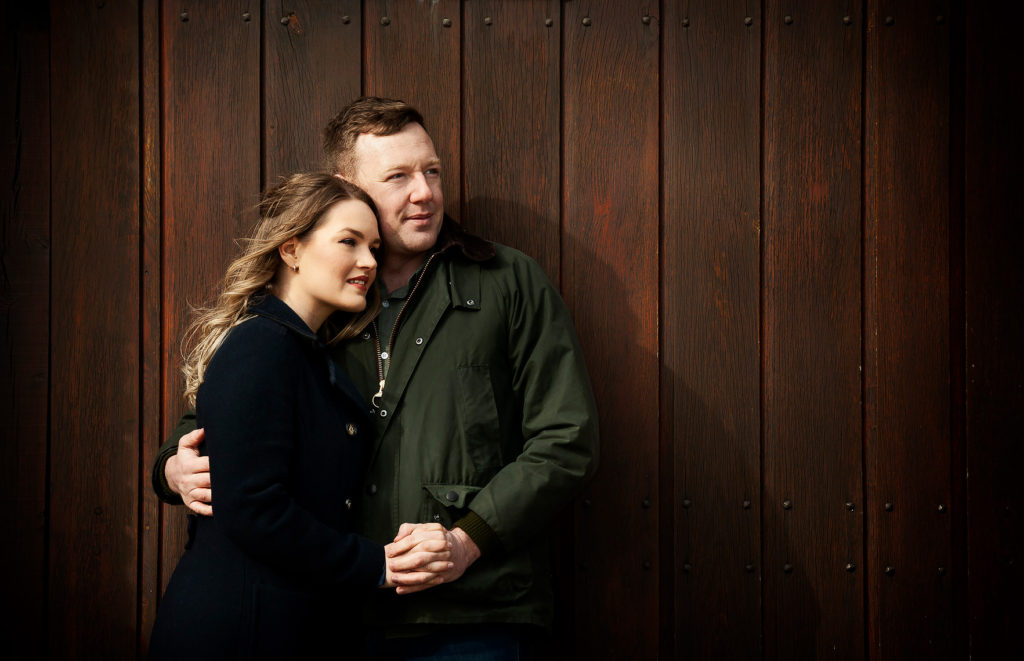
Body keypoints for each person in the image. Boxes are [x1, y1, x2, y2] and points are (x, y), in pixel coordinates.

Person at [153, 98, 599, 659]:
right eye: (398, 177)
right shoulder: (320, 296)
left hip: (468, 614)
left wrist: (467, 541)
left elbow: (566, 440)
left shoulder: (508, 282)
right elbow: (221, 411)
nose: (425, 193)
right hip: (328, 616)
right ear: (350, 187)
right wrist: (173, 466)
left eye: (432, 171)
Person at [148, 174, 452, 661]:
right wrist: (377, 564)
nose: (369, 262)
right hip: (238, 631)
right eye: (348, 242)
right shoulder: (260, 347)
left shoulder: (305, 353)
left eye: (374, 247)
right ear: (291, 251)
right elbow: (253, 509)